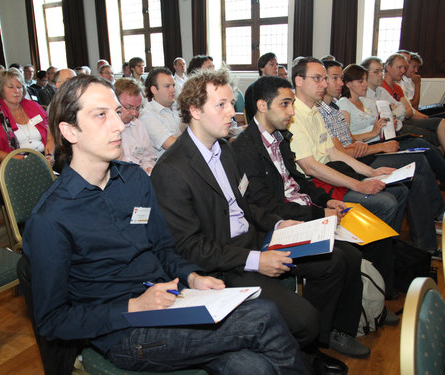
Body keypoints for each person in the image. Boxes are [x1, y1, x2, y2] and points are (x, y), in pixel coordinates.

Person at [23, 74, 306, 375]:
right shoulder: (51, 218)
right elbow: (52, 321)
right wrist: (134, 306)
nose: (120, 125)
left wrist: (192, 277)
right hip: (125, 333)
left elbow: (162, 247)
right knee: (261, 315)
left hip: (173, 300)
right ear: (69, 131)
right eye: (101, 115)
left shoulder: (133, 180)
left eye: (117, 113)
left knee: (254, 367)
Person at [151, 69, 369, 367]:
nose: (233, 112)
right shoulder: (172, 169)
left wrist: (279, 226)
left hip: (256, 240)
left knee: (335, 261)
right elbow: (191, 247)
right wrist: (256, 259)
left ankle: (309, 348)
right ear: (194, 111)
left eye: (231, 103)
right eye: (222, 105)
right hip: (226, 264)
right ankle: (301, 349)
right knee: (305, 320)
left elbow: (246, 205)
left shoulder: (224, 149)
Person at [289, 57, 407, 232]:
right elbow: (310, 167)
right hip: (315, 184)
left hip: (333, 171)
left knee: (400, 190)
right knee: (386, 202)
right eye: (317, 78)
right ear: (299, 81)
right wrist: (358, 185)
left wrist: (372, 172)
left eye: (324, 79)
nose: (324, 84)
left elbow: (334, 152)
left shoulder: (314, 111)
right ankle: (372, 252)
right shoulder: (293, 115)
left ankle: (387, 246)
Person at [336, 64, 444, 254]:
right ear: (349, 84)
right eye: (360, 80)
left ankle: (425, 245)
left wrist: (388, 123)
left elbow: (391, 115)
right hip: (367, 155)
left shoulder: (366, 102)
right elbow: (348, 139)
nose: (364, 84)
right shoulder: (344, 104)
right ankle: (436, 214)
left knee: (417, 170)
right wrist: (375, 132)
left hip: (381, 146)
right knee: (419, 159)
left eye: (364, 79)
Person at [0, 68, 55, 173]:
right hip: (13, 165)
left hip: (43, 160)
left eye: (19, 87)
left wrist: (50, 155)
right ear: (1, 89)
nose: (16, 91)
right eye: (11, 87)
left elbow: (50, 135)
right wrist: (27, 161)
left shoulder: (34, 106)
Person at [115, 78, 156, 174]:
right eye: (129, 107)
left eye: (137, 108)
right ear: (115, 102)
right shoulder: (105, 129)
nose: (134, 113)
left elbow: (148, 157)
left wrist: (149, 168)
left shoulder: (138, 125)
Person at [140, 67, 181, 158]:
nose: (173, 90)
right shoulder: (147, 115)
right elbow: (171, 145)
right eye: (167, 86)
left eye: (173, 85)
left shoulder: (177, 108)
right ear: (154, 90)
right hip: (166, 167)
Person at [244, 52, 279, 123]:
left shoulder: (275, 88)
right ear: (262, 68)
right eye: (272, 64)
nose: (276, 68)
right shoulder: (253, 89)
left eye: (277, 65)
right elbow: (255, 115)